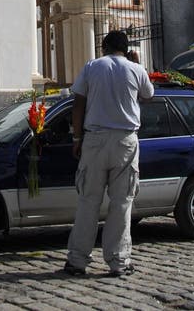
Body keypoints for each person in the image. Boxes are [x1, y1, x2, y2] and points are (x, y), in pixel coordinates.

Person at [64, 29, 154, 278]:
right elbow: (148, 94)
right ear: (126, 49)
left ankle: (77, 260)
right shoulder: (136, 69)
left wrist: (77, 138)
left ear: (103, 47)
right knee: (122, 203)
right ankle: (119, 261)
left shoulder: (93, 66)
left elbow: (78, 103)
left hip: (94, 140)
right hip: (125, 141)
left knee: (88, 202)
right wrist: (136, 65)